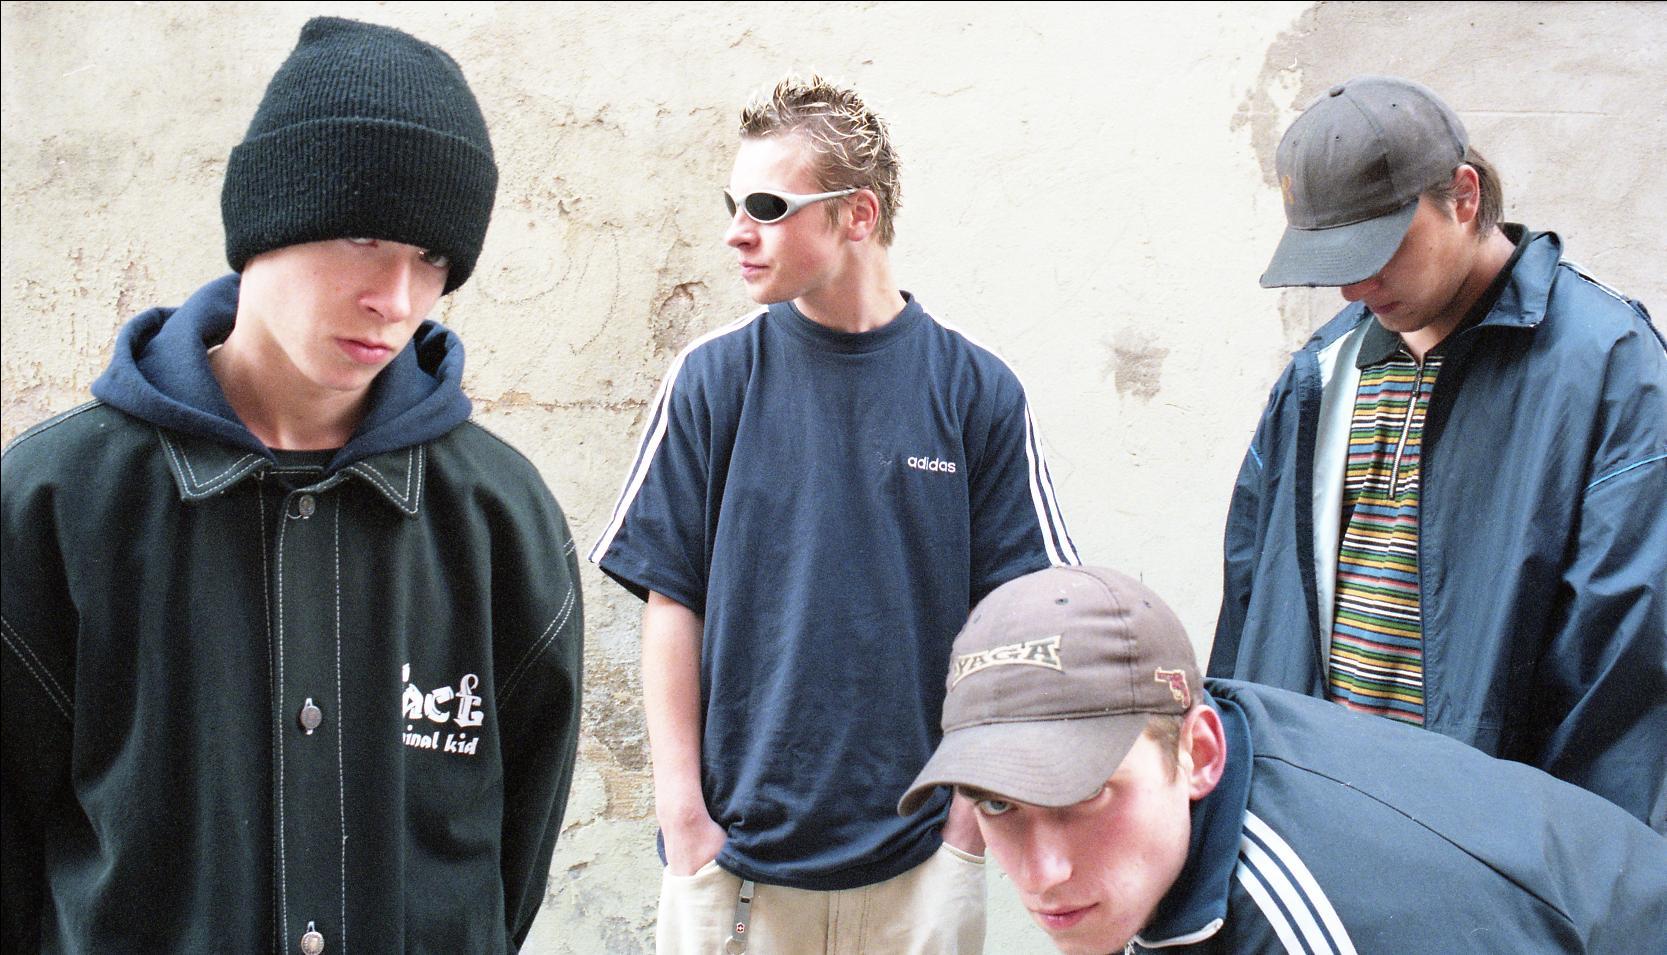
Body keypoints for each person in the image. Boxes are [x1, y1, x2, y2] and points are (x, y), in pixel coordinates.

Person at [0, 18, 583, 952]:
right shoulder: (55, 499)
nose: (396, 297)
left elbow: (511, 855)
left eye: (432, 259)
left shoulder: (498, 515)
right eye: (361, 235)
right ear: (265, 221)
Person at [590, 74, 1078, 953]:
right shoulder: (711, 381)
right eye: (733, 204)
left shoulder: (975, 390)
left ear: (857, 214)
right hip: (734, 868)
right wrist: (683, 821)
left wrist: (965, 829)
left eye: (767, 207)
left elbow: (1020, 622)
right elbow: (670, 604)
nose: (736, 232)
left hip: (919, 869)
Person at [1207, 74, 1667, 830]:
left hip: (1495, 854)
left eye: (1379, 247)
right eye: (1334, 258)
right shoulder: (1321, 372)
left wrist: (1559, 874)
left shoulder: (1609, 368)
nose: (1354, 286)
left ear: (1463, 196)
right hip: (1318, 830)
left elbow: (1625, 680)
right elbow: (1250, 611)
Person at [901, 564, 1667, 954]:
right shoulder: (1202, 770)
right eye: (998, 802)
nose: (1041, 873)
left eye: (1084, 795)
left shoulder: (1332, 915)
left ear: (1199, 754)